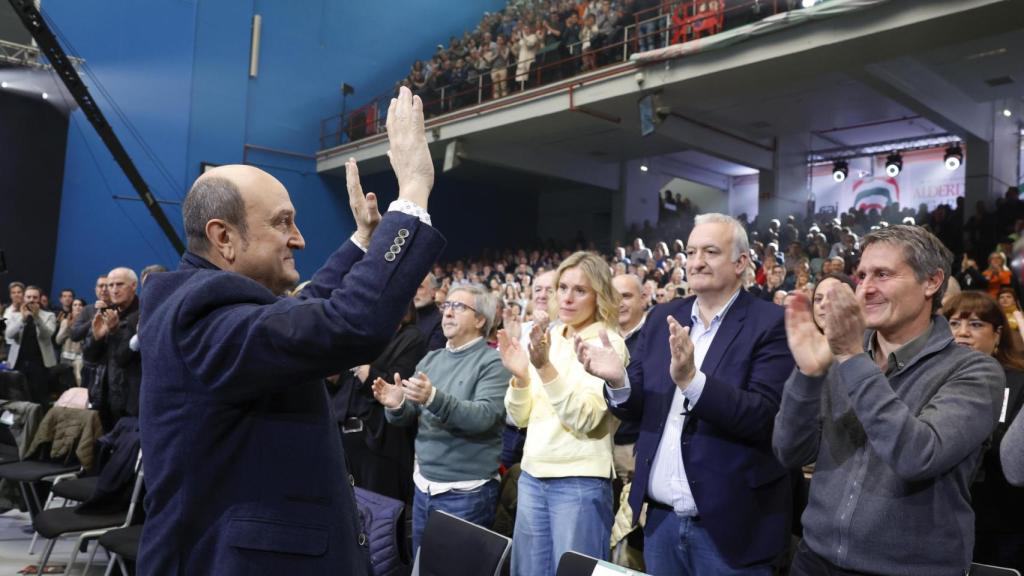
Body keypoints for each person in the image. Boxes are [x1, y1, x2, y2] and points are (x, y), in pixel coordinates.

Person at [136, 86, 445, 575]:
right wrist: (412, 191)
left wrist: (363, 241)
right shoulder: (201, 313)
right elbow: (345, 324)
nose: (298, 238)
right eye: (283, 223)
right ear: (224, 237)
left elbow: (305, 311)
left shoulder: (203, 305)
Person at [774, 224, 1004, 576]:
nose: (865, 289)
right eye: (862, 275)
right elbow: (790, 452)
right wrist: (806, 376)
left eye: (883, 274)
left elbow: (917, 456)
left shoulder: (976, 372)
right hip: (814, 561)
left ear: (931, 281)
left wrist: (852, 356)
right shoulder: (841, 355)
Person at [578, 213, 794, 575]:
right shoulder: (664, 316)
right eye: (692, 251)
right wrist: (618, 381)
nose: (696, 262)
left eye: (710, 251)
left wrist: (692, 381)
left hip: (731, 528)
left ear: (741, 262)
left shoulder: (771, 323)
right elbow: (638, 409)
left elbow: (764, 417)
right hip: (661, 523)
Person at [497, 251, 628, 576]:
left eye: (579, 290)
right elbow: (520, 417)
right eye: (562, 287)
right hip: (531, 475)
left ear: (599, 295)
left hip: (579, 483)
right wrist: (521, 377)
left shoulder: (607, 342)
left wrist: (544, 368)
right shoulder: (551, 338)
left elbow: (585, 418)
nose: (567, 298)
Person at [376, 284, 510, 555]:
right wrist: (398, 404)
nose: (447, 313)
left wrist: (432, 398)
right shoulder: (431, 359)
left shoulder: (493, 363)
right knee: (422, 567)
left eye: (458, 307)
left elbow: (483, 417)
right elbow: (410, 415)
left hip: (467, 493)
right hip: (424, 486)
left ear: (480, 319)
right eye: (446, 306)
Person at [943, 291, 1024, 571]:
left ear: (998, 334)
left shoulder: (1016, 381)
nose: (963, 333)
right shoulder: (931, 379)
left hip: (1000, 523)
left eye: (976, 324)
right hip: (939, 521)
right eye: (954, 323)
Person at [83, 267, 141, 429]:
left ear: (134, 285)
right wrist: (96, 338)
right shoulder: (105, 314)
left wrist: (114, 332)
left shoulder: (143, 315)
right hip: (103, 393)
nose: (114, 290)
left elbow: (123, 358)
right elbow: (89, 357)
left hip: (131, 399)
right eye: (110, 285)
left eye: (120, 284)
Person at [4, 285, 57, 403]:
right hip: (18, 362)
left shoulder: (49, 316)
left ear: (39, 299)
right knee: (17, 396)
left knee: (38, 397)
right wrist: (22, 319)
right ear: (24, 298)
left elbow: (47, 335)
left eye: (35, 297)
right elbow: (9, 334)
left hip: (40, 363)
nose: (31, 300)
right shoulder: (15, 315)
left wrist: (37, 317)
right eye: (28, 297)